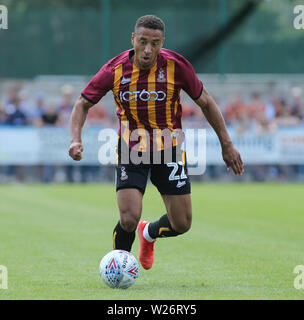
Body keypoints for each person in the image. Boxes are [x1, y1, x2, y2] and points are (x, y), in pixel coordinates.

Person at [68, 15, 244, 270]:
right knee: (128, 217)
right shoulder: (115, 69)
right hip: (132, 149)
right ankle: (118, 268)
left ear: (162, 42)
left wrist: (226, 144)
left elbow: (206, 102)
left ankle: (148, 234)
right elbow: (82, 103)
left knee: (182, 223)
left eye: (155, 43)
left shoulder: (177, 66)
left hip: (169, 150)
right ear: (133, 39)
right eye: (143, 42)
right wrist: (75, 139)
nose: (148, 49)